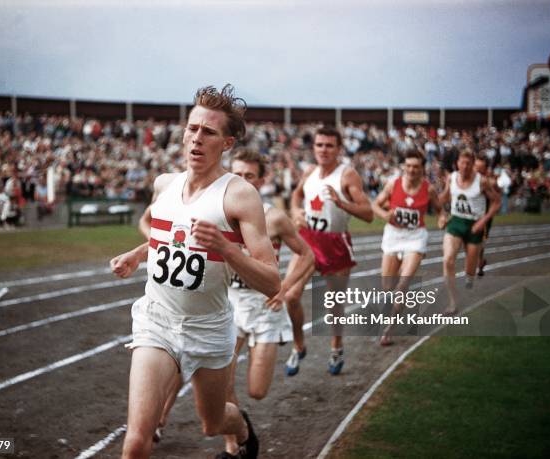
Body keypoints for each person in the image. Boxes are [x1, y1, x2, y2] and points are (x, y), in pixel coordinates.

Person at [110, 85, 280, 459]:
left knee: (213, 422)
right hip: (157, 322)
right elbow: (169, 238)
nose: (196, 138)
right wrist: (138, 254)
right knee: (137, 439)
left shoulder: (239, 195)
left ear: (228, 143)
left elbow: (271, 280)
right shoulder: (164, 185)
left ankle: (244, 429)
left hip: (209, 328)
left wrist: (224, 249)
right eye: (192, 128)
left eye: (209, 132)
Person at [219, 148, 314, 456]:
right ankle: (233, 447)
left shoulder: (274, 217)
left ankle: (241, 423)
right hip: (229, 307)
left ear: (262, 180)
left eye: (249, 176)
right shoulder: (219, 212)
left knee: (257, 391)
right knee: (223, 381)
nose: (243, 181)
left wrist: (284, 289)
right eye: (237, 175)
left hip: (265, 309)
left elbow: (307, 256)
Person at [289, 126, 373, 375]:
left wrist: (341, 203)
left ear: (338, 149)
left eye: (329, 146)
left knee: (333, 304)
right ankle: (299, 345)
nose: (323, 150)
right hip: (307, 242)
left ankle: (336, 346)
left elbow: (368, 213)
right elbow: (295, 196)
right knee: (291, 296)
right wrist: (296, 212)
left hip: (335, 244)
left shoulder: (347, 176)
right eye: (319, 145)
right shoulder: (309, 172)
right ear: (313, 147)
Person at [372, 149, 444, 345]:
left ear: (422, 169)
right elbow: (375, 205)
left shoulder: (428, 189)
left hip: (415, 237)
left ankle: (388, 330)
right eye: (409, 166)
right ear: (404, 166)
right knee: (387, 287)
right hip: (393, 236)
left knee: (402, 285)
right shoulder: (392, 184)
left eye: (416, 167)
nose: (412, 170)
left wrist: (442, 218)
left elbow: (439, 210)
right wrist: (384, 215)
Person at [438, 149, 501, 314]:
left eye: (468, 163)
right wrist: (442, 214)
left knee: (470, 271)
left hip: (474, 225)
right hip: (456, 222)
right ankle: (452, 302)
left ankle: (470, 276)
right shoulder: (451, 178)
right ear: (457, 163)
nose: (465, 166)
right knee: (448, 259)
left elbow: (496, 202)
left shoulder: (482, 181)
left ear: (472, 165)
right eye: (462, 162)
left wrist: (483, 221)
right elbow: (443, 198)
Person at [473, 155, 501, 277]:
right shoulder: (469, 179)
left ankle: (479, 263)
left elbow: (497, 198)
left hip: (484, 217)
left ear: (485, 169)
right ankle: (480, 261)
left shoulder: (490, 182)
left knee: (480, 241)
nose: (477, 171)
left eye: (480, 169)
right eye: (476, 167)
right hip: (471, 215)